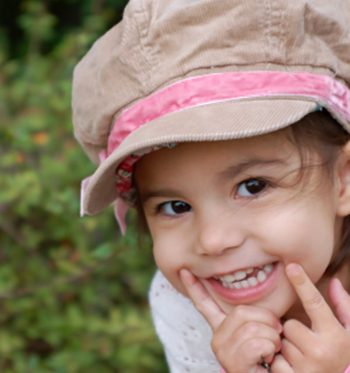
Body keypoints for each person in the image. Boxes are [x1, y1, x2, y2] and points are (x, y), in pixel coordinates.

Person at [71, 0, 350, 371]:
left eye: (252, 186)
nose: (214, 241)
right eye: (176, 207)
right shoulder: (185, 305)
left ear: (344, 179)